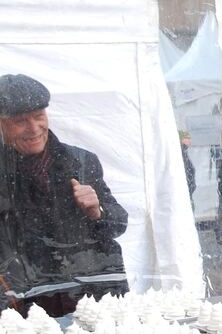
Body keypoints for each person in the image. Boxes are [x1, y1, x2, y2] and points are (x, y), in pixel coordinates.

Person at [0, 74, 128, 316]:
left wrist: (97, 211)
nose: (34, 128)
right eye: (20, 121)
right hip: (26, 305)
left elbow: (119, 224)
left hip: (90, 300)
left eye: (39, 116)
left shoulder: (81, 161)